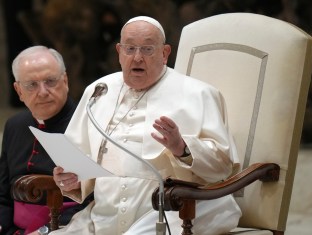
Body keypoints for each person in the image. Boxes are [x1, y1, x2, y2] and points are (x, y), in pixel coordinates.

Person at [51, 16, 242, 235]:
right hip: (102, 218)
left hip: (168, 215)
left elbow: (222, 168)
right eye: (130, 49)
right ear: (119, 52)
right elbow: (77, 162)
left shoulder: (199, 94)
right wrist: (71, 180)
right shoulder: (99, 91)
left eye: (148, 49)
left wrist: (182, 148)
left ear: (165, 53)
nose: (138, 58)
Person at [0, 46, 91, 235]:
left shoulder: (88, 125)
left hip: (67, 228)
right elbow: (3, 193)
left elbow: (96, 198)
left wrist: (45, 231)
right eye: (31, 85)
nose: (42, 92)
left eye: (50, 81)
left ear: (65, 81)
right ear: (18, 90)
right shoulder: (14, 125)